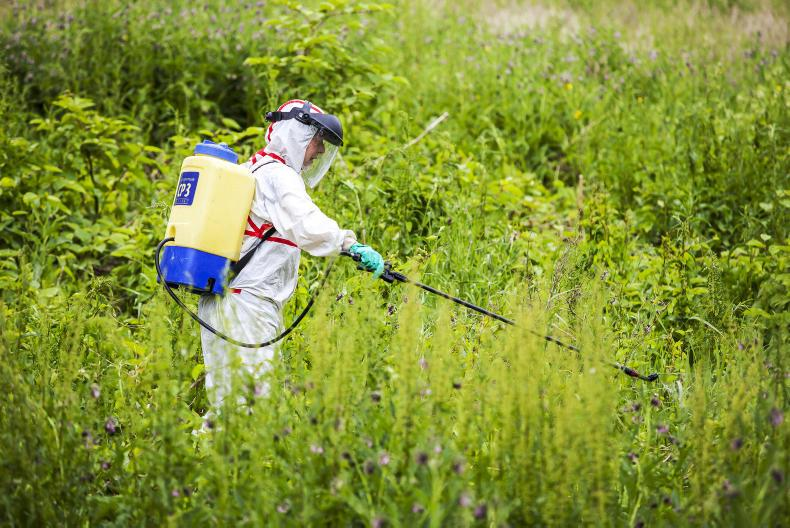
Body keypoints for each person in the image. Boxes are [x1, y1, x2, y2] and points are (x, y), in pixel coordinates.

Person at [196, 99, 384, 414]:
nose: (321, 151)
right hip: (248, 306)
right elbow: (306, 223)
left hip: (228, 300)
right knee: (252, 407)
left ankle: (199, 459)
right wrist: (349, 244)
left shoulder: (253, 168)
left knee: (230, 406)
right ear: (296, 134)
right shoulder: (277, 174)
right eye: (317, 141)